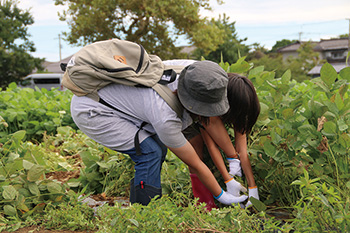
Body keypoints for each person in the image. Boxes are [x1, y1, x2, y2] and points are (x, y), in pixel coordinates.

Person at [70, 60, 248, 206]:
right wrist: (221, 194)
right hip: (93, 109)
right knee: (150, 152)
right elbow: (195, 161)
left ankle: (144, 204)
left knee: (157, 149)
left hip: (117, 101)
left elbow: (212, 122)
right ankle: (144, 215)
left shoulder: (198, 74)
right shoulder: (165, 116)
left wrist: (232, 158)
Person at [184, 72, 261, 209]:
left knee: (230, 157)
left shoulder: (241, 105)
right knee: (197, 154)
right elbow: (212, 145)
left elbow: (242, 151)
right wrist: (228, 179)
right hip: (189, 111)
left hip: (210, 116)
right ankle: (204, 204)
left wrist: (252, 186)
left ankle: (228, 198)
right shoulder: (209, 107)